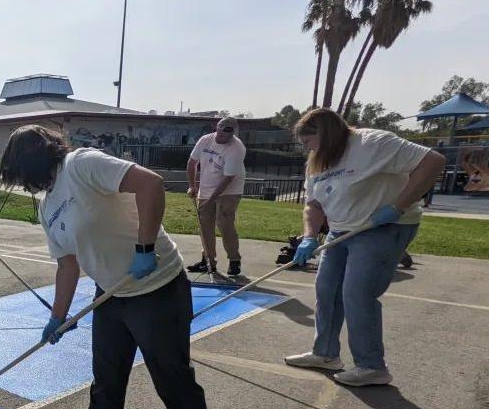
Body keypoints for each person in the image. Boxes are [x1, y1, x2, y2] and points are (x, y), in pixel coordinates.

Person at [0, 124, 216, 409]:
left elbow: (150, 185)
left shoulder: (82, 165)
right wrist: (58, 317)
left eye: (20, 175)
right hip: (111, 295)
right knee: (107, 380)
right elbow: (67, 263)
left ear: (33, 161)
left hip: (157, 287)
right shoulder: (47, 206)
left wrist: (145, 247)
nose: (24, 185)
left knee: (174, 384)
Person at [284, 109, 445, 386]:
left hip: (381, 227)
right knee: (327, 289)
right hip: (340, 230)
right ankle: (325, 354)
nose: (306, 148)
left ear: (326, 135)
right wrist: (309, 236)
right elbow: (313, 204)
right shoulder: (317, 162)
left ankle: (371, 366)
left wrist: (397, 206)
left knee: (357, 293)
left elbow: (432, 162)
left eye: (308, 141)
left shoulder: (373, 143)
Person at [186, 117, 247, 277]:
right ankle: (208, 261)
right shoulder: (205, 140)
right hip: (206, 186)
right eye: (220, 132)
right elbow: (192, 162)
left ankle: (234, 260)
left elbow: (228, 179)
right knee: (204, 224)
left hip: (230, 189)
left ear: (233, 134)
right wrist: (193, 186)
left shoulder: (237, 148)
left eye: (227, 134)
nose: (222, 137)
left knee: (224, 222)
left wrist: (211, 200)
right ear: (216, 128)